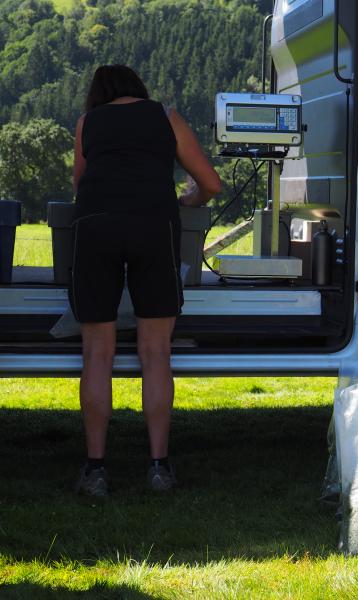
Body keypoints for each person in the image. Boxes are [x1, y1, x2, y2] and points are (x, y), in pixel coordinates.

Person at [71, 65, 221, 496]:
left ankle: (95, 469)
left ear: (98, 94)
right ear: (139, 89)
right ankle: (159, 467)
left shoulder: (87, 123)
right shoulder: (166, 117)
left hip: (95, 226)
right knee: (156, 352)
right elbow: (210, 183)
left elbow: (80, 185)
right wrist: (189, 199)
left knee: (96, 353)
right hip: (154, 226)